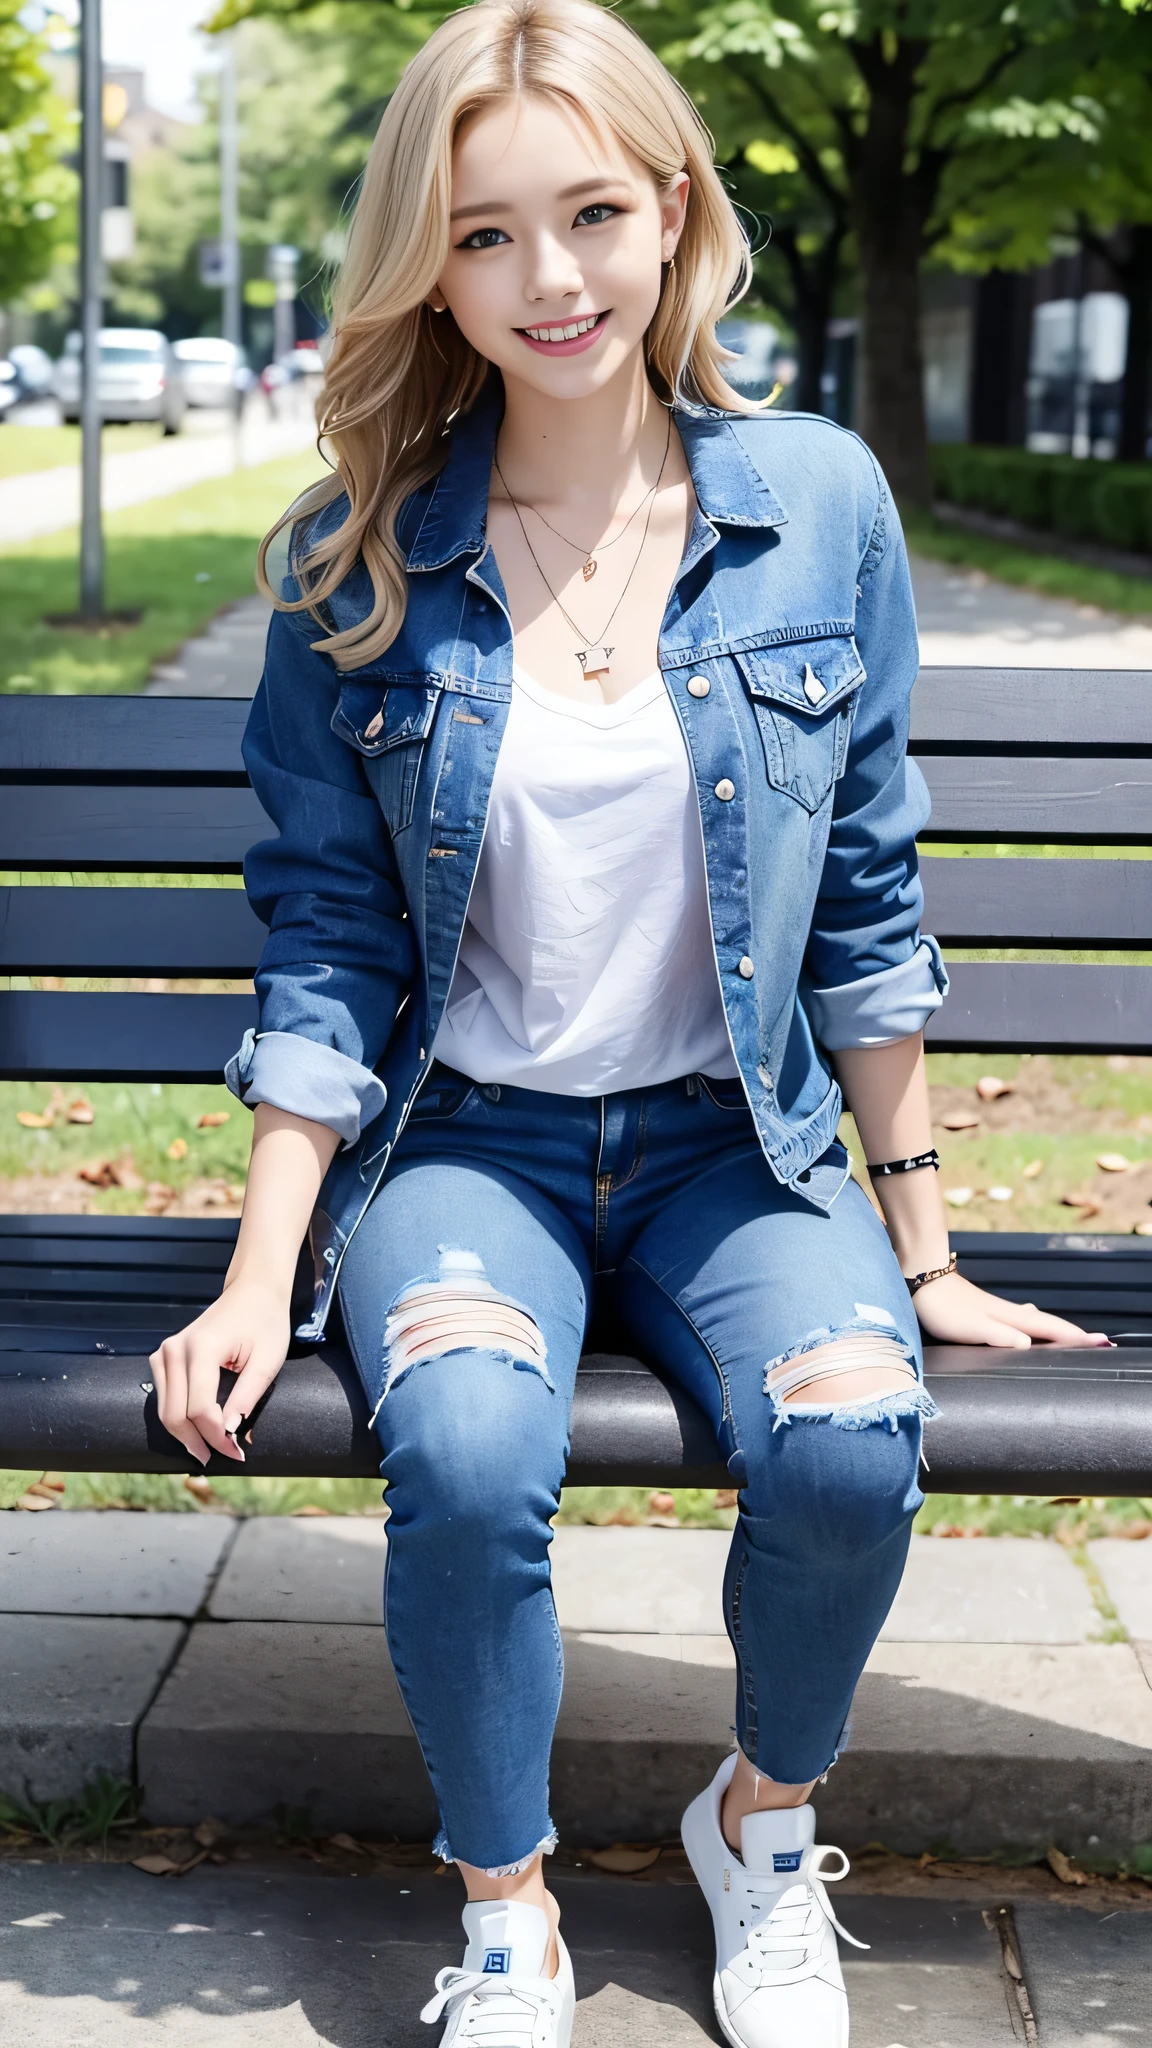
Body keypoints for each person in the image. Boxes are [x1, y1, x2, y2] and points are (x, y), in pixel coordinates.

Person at [150, 4, 1109, 2042]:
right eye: (485, 236)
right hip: (468, 1146)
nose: (552, 278)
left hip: (725, 1145)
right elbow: (324, 938)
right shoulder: (362, 556)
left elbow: (865, 889)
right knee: (475, 1444)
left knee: (853, 1442)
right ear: (430, 262)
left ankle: (759, 1822)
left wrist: (927, 1250)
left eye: (592, 212)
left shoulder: (819, 503)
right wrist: (259, 1272)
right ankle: (506, 1909)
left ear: (674, 212)